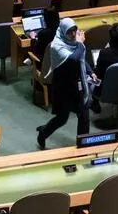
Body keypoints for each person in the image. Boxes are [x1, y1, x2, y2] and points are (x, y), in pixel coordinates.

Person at [36, 17, 95, 146]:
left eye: (74, 30)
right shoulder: (56, 46)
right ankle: (43, 132)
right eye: (69, 31)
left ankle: (83, 146)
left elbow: (81, 59)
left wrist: (90, 72)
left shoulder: (75, 43)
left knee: (84, 115)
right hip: (62, 88)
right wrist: (81, 44)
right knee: (62, 118)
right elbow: (73, 59)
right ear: (63, 32)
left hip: (77, 85)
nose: (73, 34)